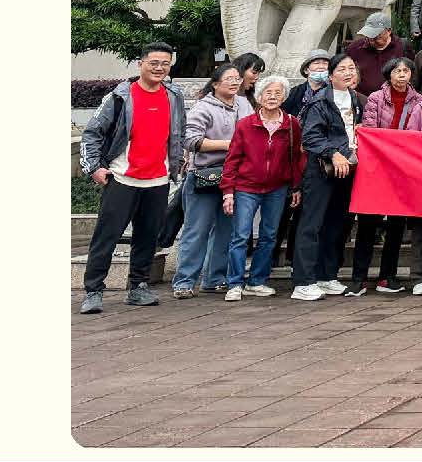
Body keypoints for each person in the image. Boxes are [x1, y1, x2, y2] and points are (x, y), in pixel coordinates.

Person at [79, 43, 191, 314]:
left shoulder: (174, 96)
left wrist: (178, 160)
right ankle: (94, 290)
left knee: (147, 237)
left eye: (165, 63)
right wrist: (94, 167)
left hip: (158, 180)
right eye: (154, 63)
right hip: (122, 178)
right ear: (140, 64)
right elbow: (92, 132)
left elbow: (179, 131)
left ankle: (138, 286)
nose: (159, 68)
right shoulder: (120, 96)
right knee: (106, 237)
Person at [349, 57, 422, 296]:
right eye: (397, 71)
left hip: (403, 168)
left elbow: (419, 132)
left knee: (396, 225)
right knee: (367, 223)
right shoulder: (375, 98)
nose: (402, 75)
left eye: (406, 71)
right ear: (388, 74)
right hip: (376, 165)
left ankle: (388, 276)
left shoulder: (420, 101)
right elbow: (369, 128)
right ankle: (359, 278)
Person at [218, 71, 300, 302]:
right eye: (267, 92)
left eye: (277, 93)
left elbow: (296, 158)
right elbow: (232, 159)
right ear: (259, 96)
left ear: (284, 97)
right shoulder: (246, 124)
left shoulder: (292, 124)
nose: (272, 97)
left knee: (269, 235)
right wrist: (228, 191)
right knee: (240, 235)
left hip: (277, 188)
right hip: (246, 187)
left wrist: (296, 186)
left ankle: (257, 281)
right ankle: (234, 283)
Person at [289, 53, 363, 302]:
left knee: (337, 224)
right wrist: (333, 153)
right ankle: (303, 281)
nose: (348, 73)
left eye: (351, 68)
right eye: (342, 69)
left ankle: (327, 275)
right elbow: (310, 137)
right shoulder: (320, 101)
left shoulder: (354, 98)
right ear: (330, 76)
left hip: (347, 169)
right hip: (322, 170)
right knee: (311, 224)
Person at [170, 63, 244, 298]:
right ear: (215, 83)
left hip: (235, 176)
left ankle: (214, 279)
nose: (234, 82)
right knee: (197, 230)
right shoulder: (203, 107)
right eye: (229, 78)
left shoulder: (244, 104)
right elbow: (191, 140)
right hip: (204, 175)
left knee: (226, 231)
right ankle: (184, 281)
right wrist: (230, 145)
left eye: (237, 78)